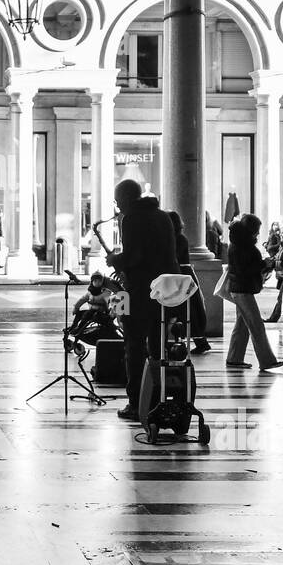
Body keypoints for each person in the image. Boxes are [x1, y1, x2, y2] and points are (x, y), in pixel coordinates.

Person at [106, 179, 180, 421]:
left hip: (140, 291)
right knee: (159, 347)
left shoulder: (131, 218)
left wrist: (116, 261)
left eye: (118, 201)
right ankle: (158, 398)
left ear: (126, 199)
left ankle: (136, 402)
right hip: (166, 292)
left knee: (133, 346)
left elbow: (135, 257)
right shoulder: (162, 216)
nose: (117, 206)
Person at [225, 214, 283, 371]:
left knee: (242, 325)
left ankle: (234, 358)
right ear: (250, 229)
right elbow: (244, 269)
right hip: (242, 289)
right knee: (256, 324)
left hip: (239, 288)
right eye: (257, 230)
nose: (258, 233)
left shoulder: (237, 243)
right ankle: (267, 361)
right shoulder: (242, 245)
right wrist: (263, 264)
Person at [168, 210, 212, 355]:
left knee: (188, 310)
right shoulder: (179, 238)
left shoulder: (178, 239)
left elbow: (174, 257)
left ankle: (197, 341)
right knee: (189, 309)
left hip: (181, 276)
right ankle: (196, 340)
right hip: (183, 275)